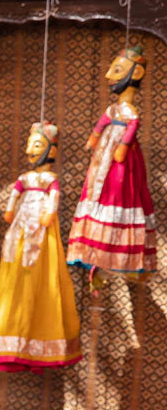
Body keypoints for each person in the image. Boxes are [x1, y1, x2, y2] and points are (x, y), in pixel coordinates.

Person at [0, 122, 81, 371]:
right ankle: (10, 342)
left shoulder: (49, 179)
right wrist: (10, 209)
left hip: (42, 227)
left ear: (51, 150)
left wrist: (49, 213)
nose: (29, 149)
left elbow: (54, 197)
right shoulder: (25, 178)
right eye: (29, 144)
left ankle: (38, 341)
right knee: (15, 268)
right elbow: (14, 195)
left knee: (42, 272)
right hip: (21, 229)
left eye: (36, 144)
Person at [67, 44, 156, 276]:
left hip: (119, 160)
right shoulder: (113, 109)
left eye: (116, 70)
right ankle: (94, 248)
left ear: (135, 73)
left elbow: (130, 131)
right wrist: (94, 137)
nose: (108, 75)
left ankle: (111, 251)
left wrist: (123, 146)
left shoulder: (131, 114)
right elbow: (100, 125)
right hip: (101, 161)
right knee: (95, 192)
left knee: (117, 192)